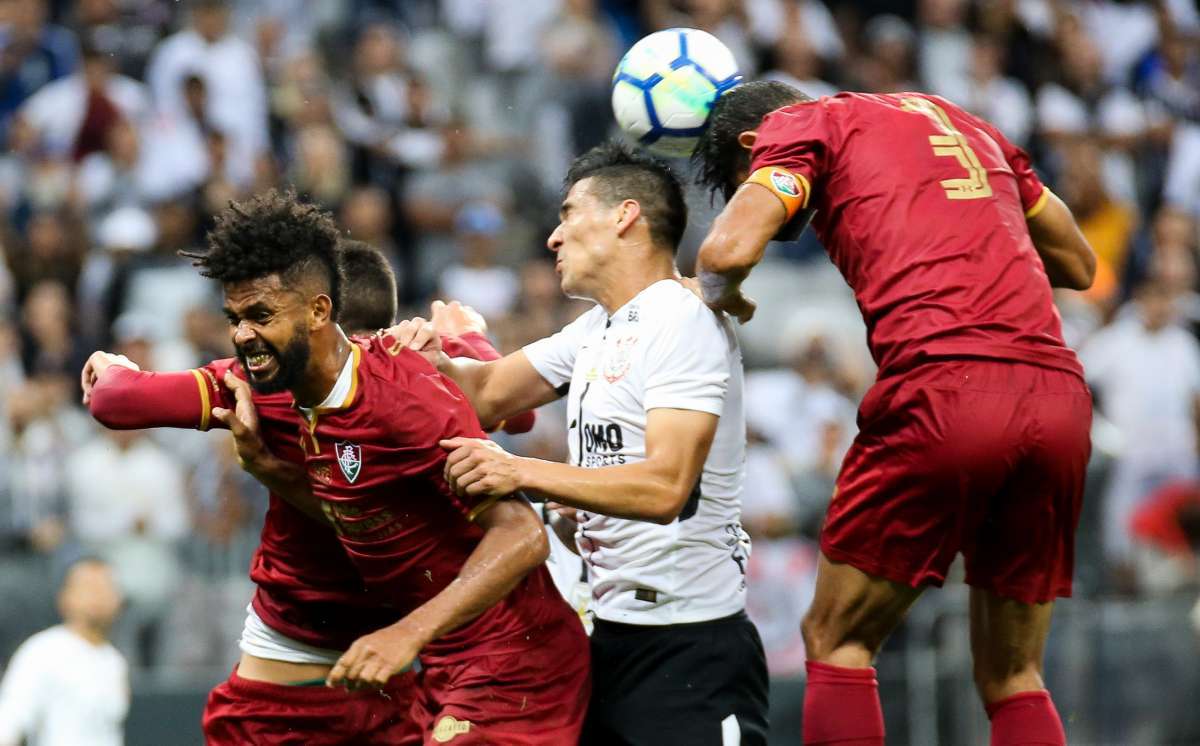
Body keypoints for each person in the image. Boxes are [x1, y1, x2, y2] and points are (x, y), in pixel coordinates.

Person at [691, 80, 1097, 745]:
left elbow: (725, 253)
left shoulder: (800, 124)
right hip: (1058, 398)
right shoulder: (964, 123)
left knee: (837, 638)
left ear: (752, 145)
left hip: (947, 389)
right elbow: (1078, 263)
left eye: (744, 176)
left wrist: (723, 294)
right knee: (1016, 674)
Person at [81, 240, 534, 744]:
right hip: (389, 658)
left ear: (318, 314)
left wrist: (110, 365)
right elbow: (517, 412)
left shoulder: (261, 382)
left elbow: (117, 400)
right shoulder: (419, 374)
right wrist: (467, 342)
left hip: (292, 664)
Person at [179, 190, 587, 743]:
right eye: (236, 318)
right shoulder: (316, 413)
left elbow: (522, 527)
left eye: (260, 315)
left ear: (323, 315)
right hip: (435, 670)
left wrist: (406, 634)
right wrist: (270, 472)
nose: (243, 334)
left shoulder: (403, 398)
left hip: (514, 658)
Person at [401, 141, 768, 745]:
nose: (553, 236)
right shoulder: (599, 326)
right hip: (610, 637)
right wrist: (429, 355)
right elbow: (488, 393)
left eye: (569, 213)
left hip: (689, 649)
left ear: (624, 215)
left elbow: (665, 487)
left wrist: (519, 472)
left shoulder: (682, 319)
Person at [0, 557, 127, 746]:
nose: (98, 595)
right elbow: (8, 725)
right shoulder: (43, 651)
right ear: (65, 598)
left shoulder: (114, 661)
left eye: (106, 586)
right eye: (88, 587)